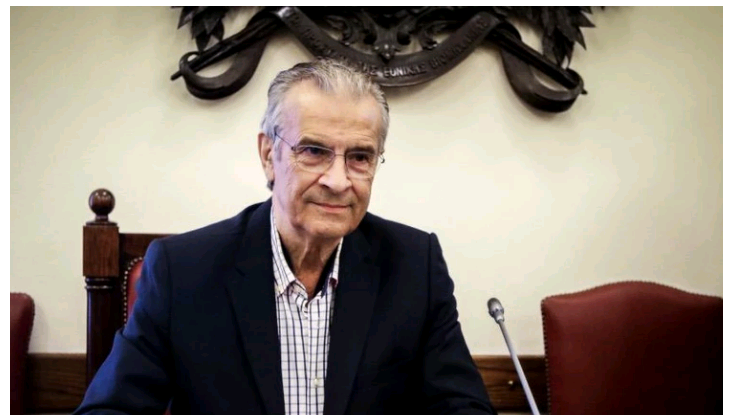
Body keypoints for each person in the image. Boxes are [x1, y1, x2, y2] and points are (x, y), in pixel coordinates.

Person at [74, 58, 496, 415]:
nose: (337, 181)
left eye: (359, 157)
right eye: (313, 151)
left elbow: (463, 407)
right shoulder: (182, 271)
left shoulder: (414, 266)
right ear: (268, 155)